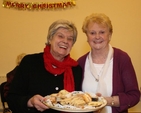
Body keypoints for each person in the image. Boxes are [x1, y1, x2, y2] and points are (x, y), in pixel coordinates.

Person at [7, 20, 82, 113]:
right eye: (60, 36)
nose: (65, 41)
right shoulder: (30, 62)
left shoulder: (76, 69)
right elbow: (12, 98)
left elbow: (80, 104)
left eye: (70, 39)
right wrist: (30, 102)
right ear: (50, 39)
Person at [77, 13, 140, 113]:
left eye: (102, 32)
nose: (97, 37)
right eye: (92, 33)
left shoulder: (122, 59)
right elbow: (76, 97)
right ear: (87, 36)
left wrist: (107, 101)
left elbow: (134, 96)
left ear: (110, 35)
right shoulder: (80, 62)